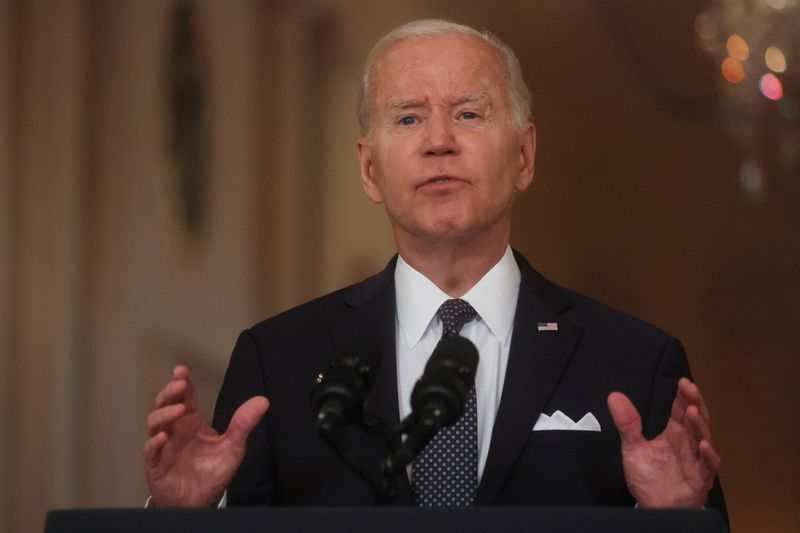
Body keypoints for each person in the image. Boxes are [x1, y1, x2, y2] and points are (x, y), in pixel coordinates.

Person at [144, 18, 727, 522]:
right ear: (370, 170)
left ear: (523, 156)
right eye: (407, 120)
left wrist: (677, 524)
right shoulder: (278, 364)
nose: (440, 141)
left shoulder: (635, 362)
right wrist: (181, 521)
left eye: (469, 113)